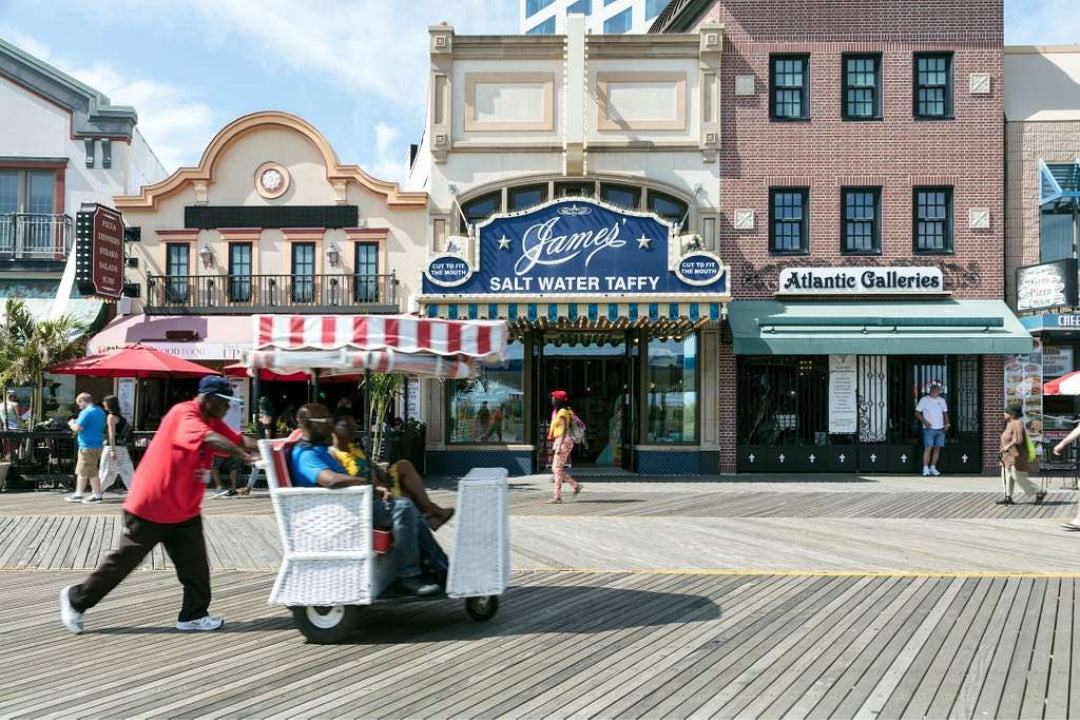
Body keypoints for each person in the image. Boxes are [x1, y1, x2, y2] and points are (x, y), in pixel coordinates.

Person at [58, 376, 259, 635]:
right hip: (151, 507)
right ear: (208, 399)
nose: (228, 409)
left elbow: (238, 439)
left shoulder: (211, 420)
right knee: (122, 563)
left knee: (195, 567)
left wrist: (271, 447)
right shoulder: (183, 414)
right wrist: (243, 457)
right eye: (225, 403)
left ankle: (193, 616)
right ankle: (75, 599)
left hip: (184, 509)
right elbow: (210, 439)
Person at [289, 404, 445, 596]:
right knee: (404, 507)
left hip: (349, 504)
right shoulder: (305, 455)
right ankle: (412, 574)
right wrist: (368, 484)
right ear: (307, 425)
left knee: (406, 505)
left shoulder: (318, 449)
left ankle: (438, 566)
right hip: (338, 511)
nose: (330, 426)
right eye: (325, 422)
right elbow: (330, 480)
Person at [329, 413, 454, 530]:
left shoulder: (354, 448)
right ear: (333, 428)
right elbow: (347, 481)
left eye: (354, 426)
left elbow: (371, 465)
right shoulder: (333, 455)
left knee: (404, 465)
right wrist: (376, 486)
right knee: (407, 497)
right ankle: (431, 515)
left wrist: (382, 473)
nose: (352, 430)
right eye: (347, 426)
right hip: (368, 493)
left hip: (380, 483)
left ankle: (430, 508)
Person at [998, 405, 1044, 506]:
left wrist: (1007, 446)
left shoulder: (1017, 423)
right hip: (1007, 457)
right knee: (1006, 476)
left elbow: (1018, 439)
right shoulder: (1009, 423)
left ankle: (1039, 491)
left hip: (1016, 457)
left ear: (1012, 414)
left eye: (1005, 412)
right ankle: (1007, 497)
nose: (1003, 414)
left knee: (1018, 477)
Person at [65, 393, 107, 504]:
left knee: (90, 471)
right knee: (83, 471)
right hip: (98, 444)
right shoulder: (100, 412)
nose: (79, 406)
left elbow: (78, 428)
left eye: (79, 403)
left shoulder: (86, 412)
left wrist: (71, 424)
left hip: (87, 445)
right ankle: (79, 493)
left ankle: (97, 496)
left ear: (83, 401)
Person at [547, 390, 582, 504]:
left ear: (558, 400)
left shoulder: (562, 412)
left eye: (553, 398)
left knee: (556, 468)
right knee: (556, 468)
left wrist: (558, 448)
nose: (552, 400)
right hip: (562, 441)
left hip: (563, 441)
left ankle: (557, 497)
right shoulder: (560, 412)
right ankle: (575, 485)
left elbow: (562, 430)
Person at [98, 395, 136, 493]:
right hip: (122, 448)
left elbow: (111, 435)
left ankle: (97, 493)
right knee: (128, 471)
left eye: (105, 402)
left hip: (112, 447)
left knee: (106, 471)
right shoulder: (121, 417)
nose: (103, 404)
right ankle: (135, 492)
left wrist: (112, 450)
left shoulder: (110, 417)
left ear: (109, 404)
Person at [915, 383, 949, 477]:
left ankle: (933, 467)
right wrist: (925, 422)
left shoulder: (942, 400)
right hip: (929, 429)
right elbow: (917, 413)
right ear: (931, 391)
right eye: (935, 391)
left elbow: (945, 413)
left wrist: (947, 424)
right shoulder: (924, 400)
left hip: (940, 428)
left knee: (937, 449)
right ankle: (925, 468)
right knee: (928, 448)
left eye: (938, 391)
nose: (937, 392)